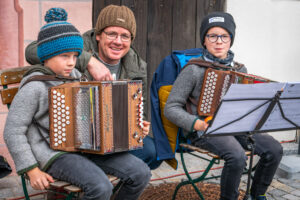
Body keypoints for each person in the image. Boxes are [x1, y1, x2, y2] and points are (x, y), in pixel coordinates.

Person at [4, 8, 151, 200]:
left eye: (75, 56)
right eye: (65, 56)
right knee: (100, 187)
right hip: (53, 154)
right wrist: (31, 169)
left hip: (87, 146)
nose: (72, 63)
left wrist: (133, 125)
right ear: (46, 55)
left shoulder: (75, 77)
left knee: (141, 173)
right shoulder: (35, 86)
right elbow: (12, 131)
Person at [25, 5, 162, 170]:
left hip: (114, 138)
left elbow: (140, 112)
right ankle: (95, 178)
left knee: (154, 152)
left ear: (131, 40)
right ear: (98, 35)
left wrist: (139, 125)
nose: (118, 42)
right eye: (112, 34)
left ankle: (106, 181)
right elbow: (31, 50)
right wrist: (88, 61)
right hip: (79, 136)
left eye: (125, 36)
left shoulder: (137, 66)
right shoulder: (77, 44)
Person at [164, 12, 283, 200]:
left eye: (224, 36)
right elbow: (171, 108)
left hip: (236, 127)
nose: (218, 41)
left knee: (274, 149)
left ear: (231, 40)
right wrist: (198, 124)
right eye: (212, 36)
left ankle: (256, 195)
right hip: (204, 130)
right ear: (204, 40)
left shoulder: (240, 70)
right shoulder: (193, 70)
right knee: (236, 156)